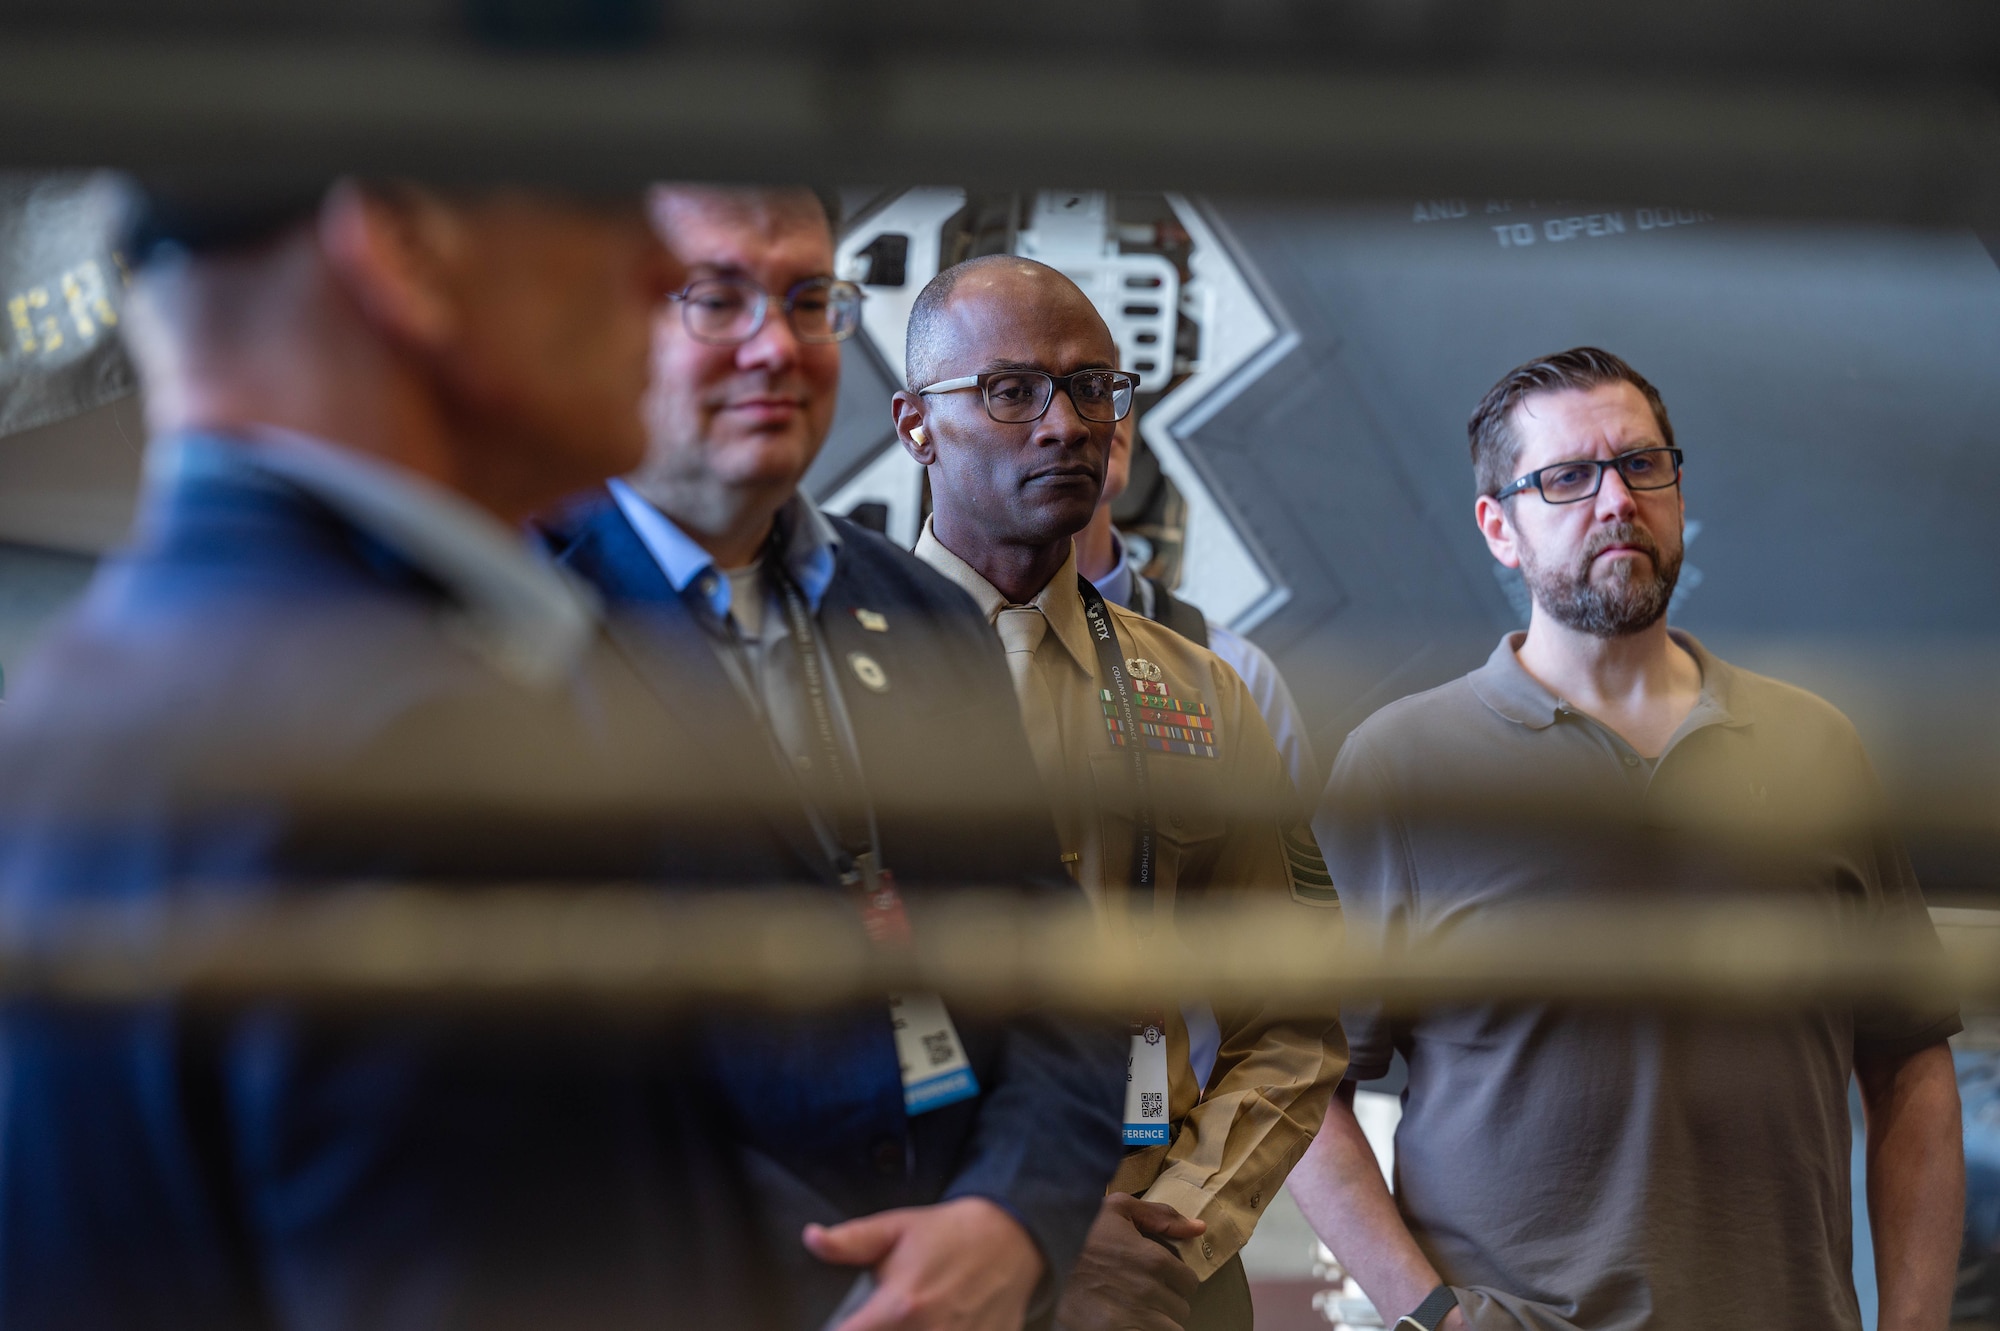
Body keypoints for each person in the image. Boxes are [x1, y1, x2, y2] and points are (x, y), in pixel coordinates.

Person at [0, 180, 785, 1328]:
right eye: (607, 198)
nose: (667, 271)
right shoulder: (420, 753)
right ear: (406, 247)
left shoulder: (80, 687)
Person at [539, 185, 1126, 1331]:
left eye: (808, 300)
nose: (775, 346)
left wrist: (1008, 1218)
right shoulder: (491, 614)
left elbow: (1057, 972)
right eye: (717, 300)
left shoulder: (921, 613)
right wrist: (841, 1282)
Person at [1286, 346, 1965, 1331]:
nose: (1615, 500)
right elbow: (1300, 1084)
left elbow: (1909, 1064)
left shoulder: (1815, 748)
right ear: (1499, 527)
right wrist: (1431, 1315)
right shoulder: (1401, 766)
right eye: (1566, 477)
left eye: (1641, 464)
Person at [895, 253, 1346, 1331]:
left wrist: (1175, 1228)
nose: (1066, 424)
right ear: (916, 426)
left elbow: (1292, 1017)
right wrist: (1029, 1231)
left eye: (1093, 387)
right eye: (1011, 391)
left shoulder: (1200, 690)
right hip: (918, 1267)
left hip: (1160, 1279)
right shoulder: (818, 684)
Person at [1073, 408, 1320, 796]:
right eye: (1019, 391)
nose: (1105, 411)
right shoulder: (962, 644)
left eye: (1104, 385)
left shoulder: (1233, 675)